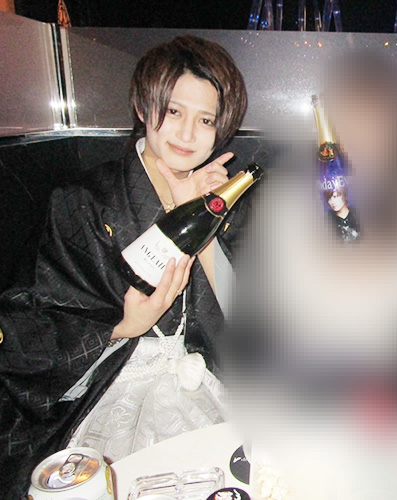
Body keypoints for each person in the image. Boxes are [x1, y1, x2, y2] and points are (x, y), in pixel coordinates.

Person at [0, 35, 249, 497]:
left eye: (206, 119)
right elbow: (28, 326)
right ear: (141, 107)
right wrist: (121, 327)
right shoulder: (81, 202)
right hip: (109, 390)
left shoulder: (225, 200)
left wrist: (201, 220)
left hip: (207, 383)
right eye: (173, 111)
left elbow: (248, 324)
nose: (187, 134)